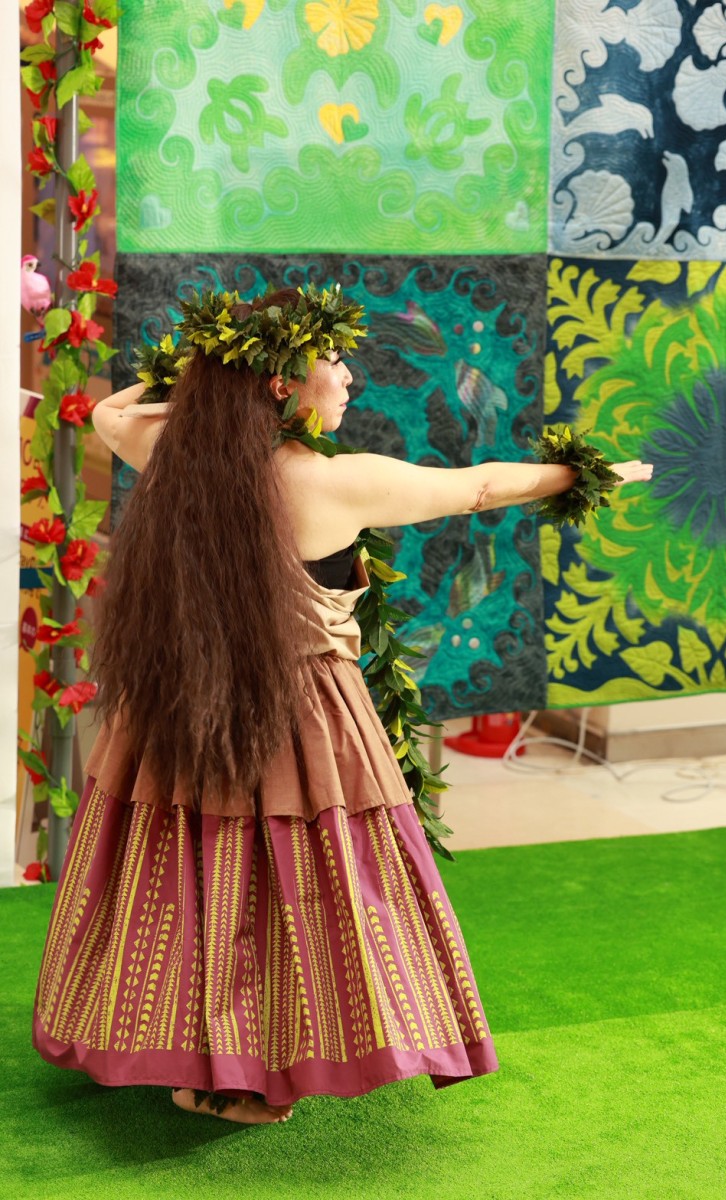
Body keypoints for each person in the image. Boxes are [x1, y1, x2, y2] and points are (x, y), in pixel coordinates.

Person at [31, 285, 653, 1126]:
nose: (350, 377)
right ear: (281, 383)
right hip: (299, 716)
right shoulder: (336, 483)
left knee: (192, 868)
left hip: (178, 704)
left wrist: (204, 381)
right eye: (332, 360)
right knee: (292, 877)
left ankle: (196, 1058)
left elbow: (112, 413)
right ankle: (253, 1068)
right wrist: (586, 473)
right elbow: (478, 488)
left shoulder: (172, 450)